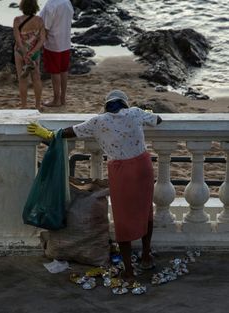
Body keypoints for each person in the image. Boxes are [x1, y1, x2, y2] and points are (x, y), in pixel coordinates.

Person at [27, 90, 162, 283]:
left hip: (121, 170)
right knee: (145, 210)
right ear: (124, 103)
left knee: (122, 216)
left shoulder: (97, 122)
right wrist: (144, 112)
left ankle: (129, 270)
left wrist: (47, 133)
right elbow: (158, 121)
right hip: (143, 165)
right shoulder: (135, 112)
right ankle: (147, 257)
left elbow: (68, 132)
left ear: (106, 105)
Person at [39, 0, 74, 107]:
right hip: (65, 42)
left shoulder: (51, 4)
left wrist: (40, 43)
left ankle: (56, 100)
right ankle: (62, 98)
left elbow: (45, 27)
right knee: (63, 70)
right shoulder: (67, 2)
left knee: (55, 72)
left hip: (53, 43)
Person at [13, 0, 46, 111]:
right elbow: (42, 40)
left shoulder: (17, 20)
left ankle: (24, 106)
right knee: (36, 78)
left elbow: (18, 40)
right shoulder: (40, 21)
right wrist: (32, 53)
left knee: (22, 79)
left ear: (22, 6)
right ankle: (37, 105)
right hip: (34, 53)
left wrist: (25, 54)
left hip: (20, 53)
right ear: (35, 6)